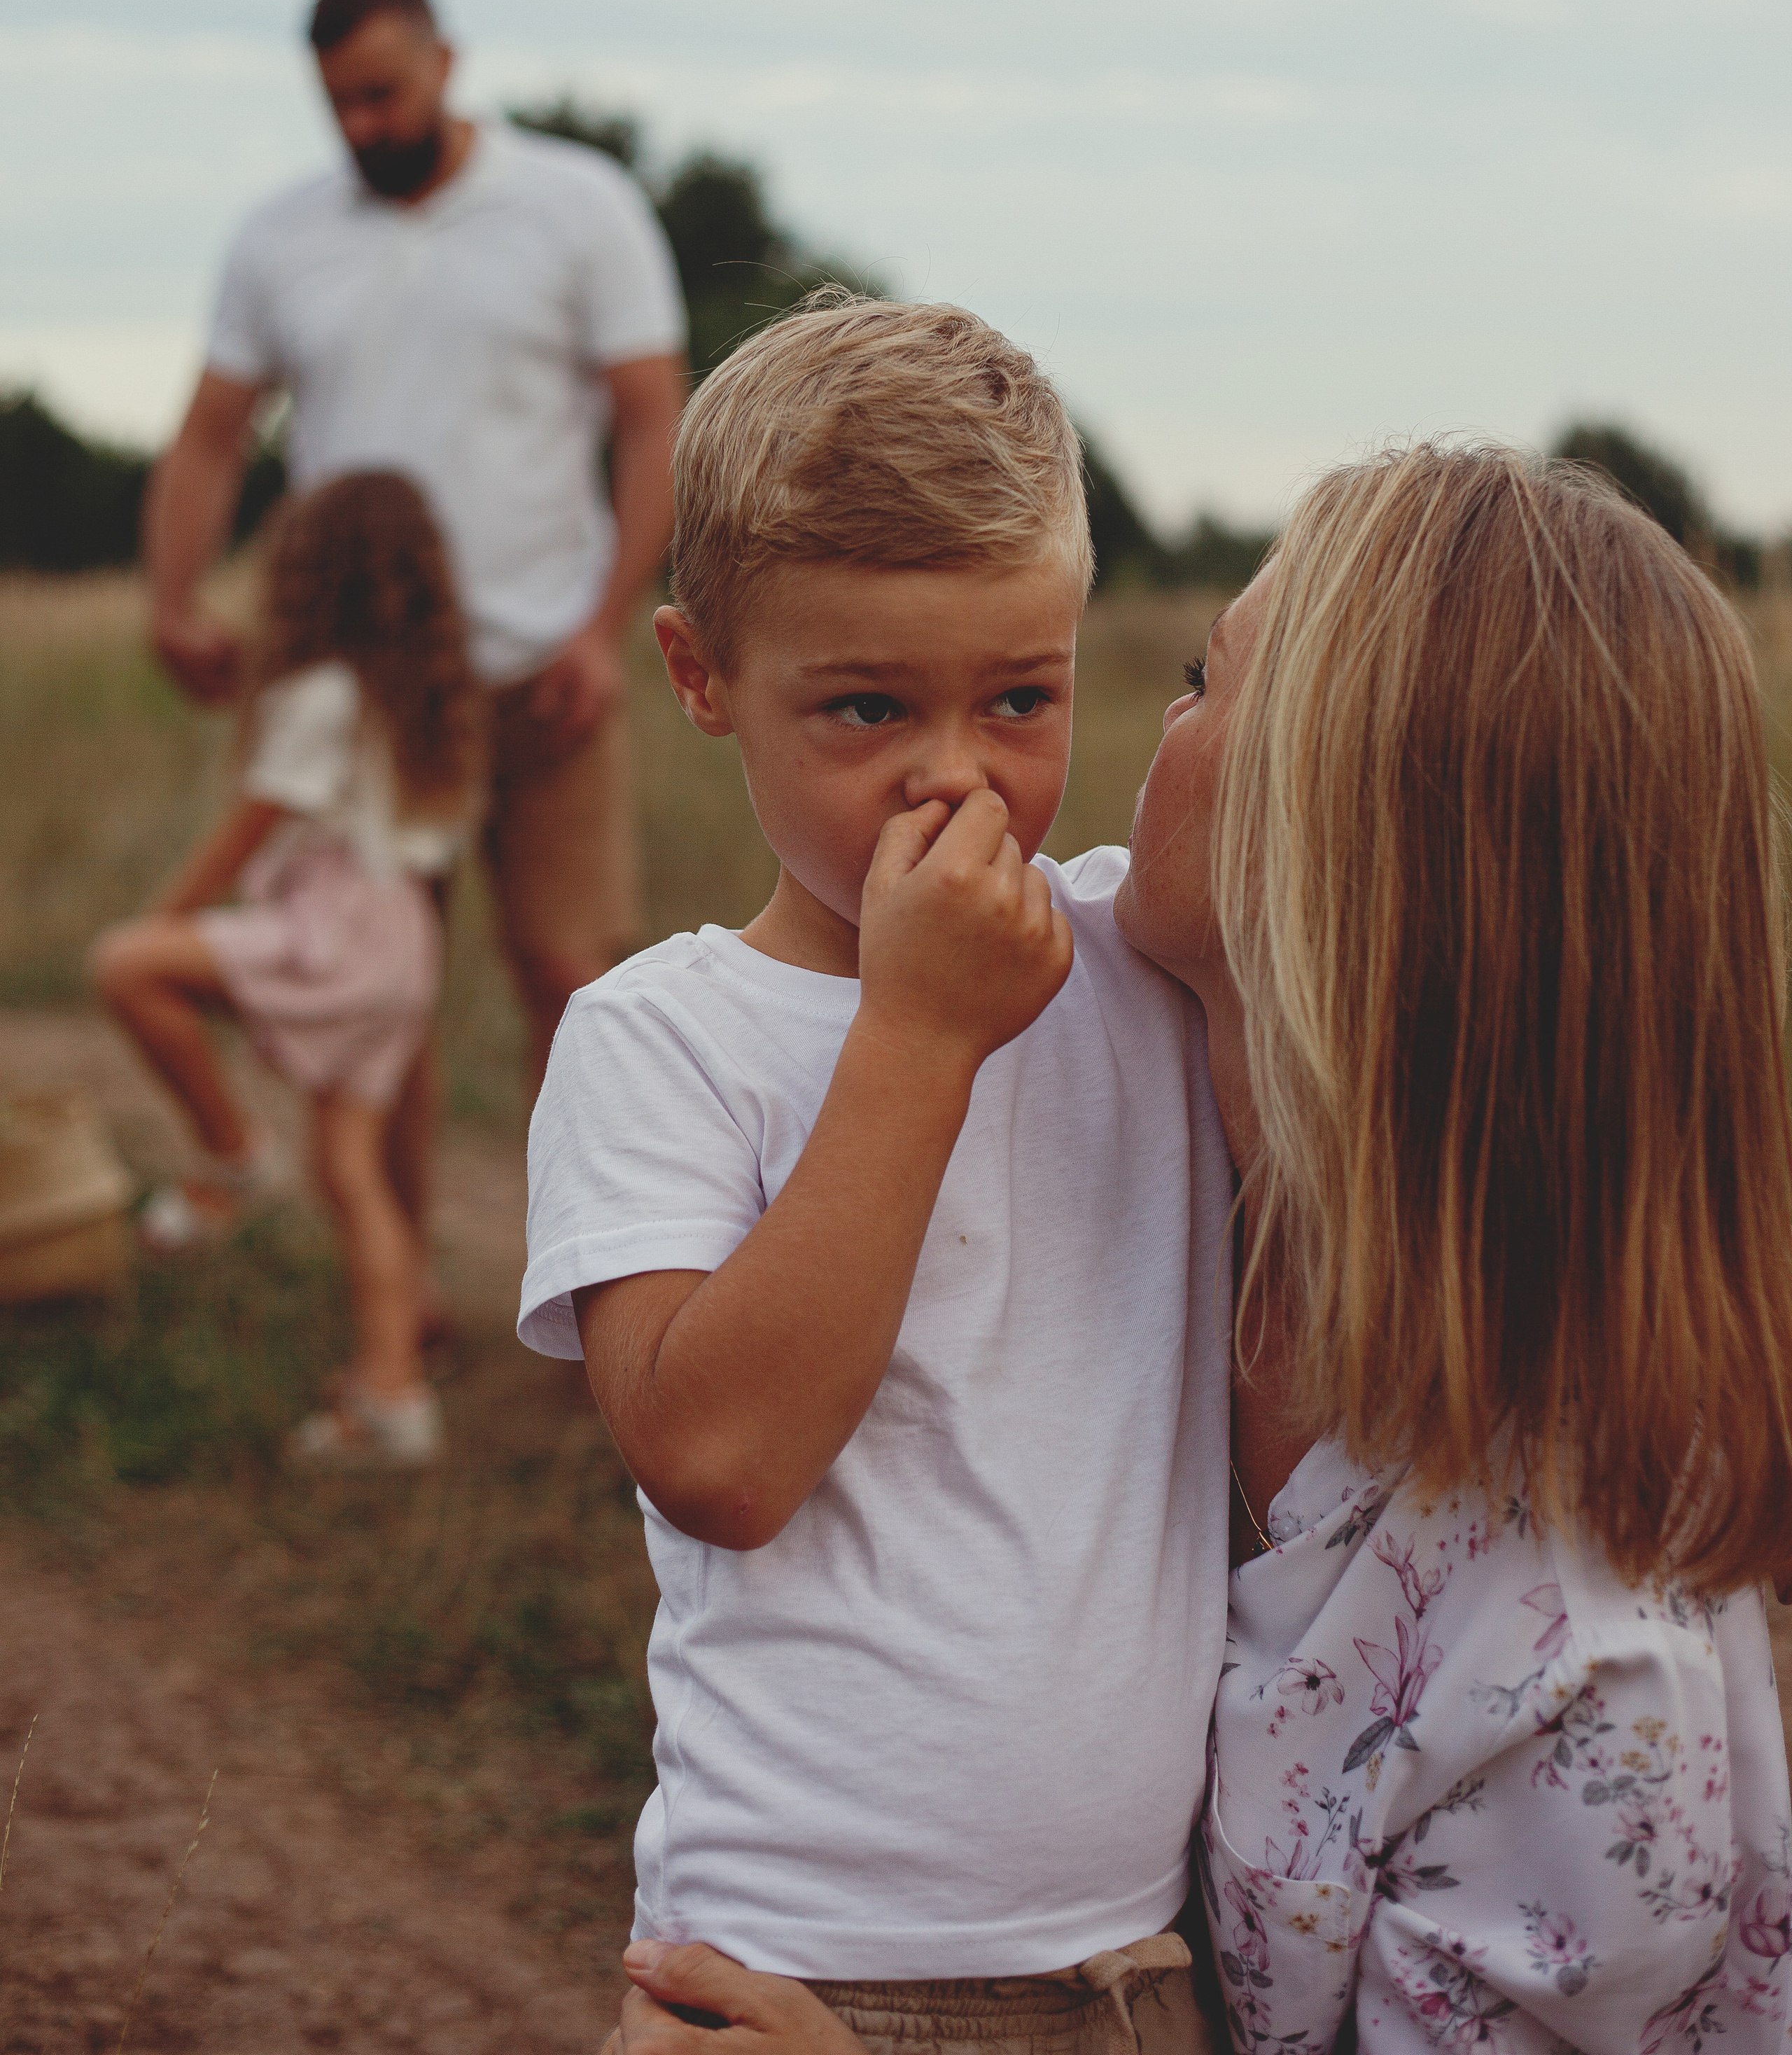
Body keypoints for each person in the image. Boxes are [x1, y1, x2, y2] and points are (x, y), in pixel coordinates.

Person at [606, 442, 1792, 2055]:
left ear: (1332, 840)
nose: (992, 779)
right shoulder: (1160, 1159)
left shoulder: (1576, 1676)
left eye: (1195, 684)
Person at [519, 296, 1236, 2055]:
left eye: (1019, 697)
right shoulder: (657, 1037)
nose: (954, 775)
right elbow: (719, 1460)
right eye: (862, 707)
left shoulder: (1137, 963)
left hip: (1148, 1968)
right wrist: (916, 1039)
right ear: (699, 679)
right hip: (796, 1966)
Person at [145, 0, 687, 1268]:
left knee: (573, 978)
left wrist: (600, 629)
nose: (365, 127)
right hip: (368, 702)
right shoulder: (282, 237)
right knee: (377, 1014)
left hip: (542, 673)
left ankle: (610, 1279)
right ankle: (413, 1303)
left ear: (447, 62)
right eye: (340, 105)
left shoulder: (578, 206)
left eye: (384, 94)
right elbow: (215, 436)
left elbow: (652, 421)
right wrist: (175, 597)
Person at [92, 471, 486, 1467]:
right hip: (403, 939)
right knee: (351, 1172)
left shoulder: (322, 693)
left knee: (126, 966)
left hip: (341, 925)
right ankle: (394, 1397)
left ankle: (228, 1152)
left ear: (312, 571)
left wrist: (166, 922)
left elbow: (243, 834)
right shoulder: (427, 698)